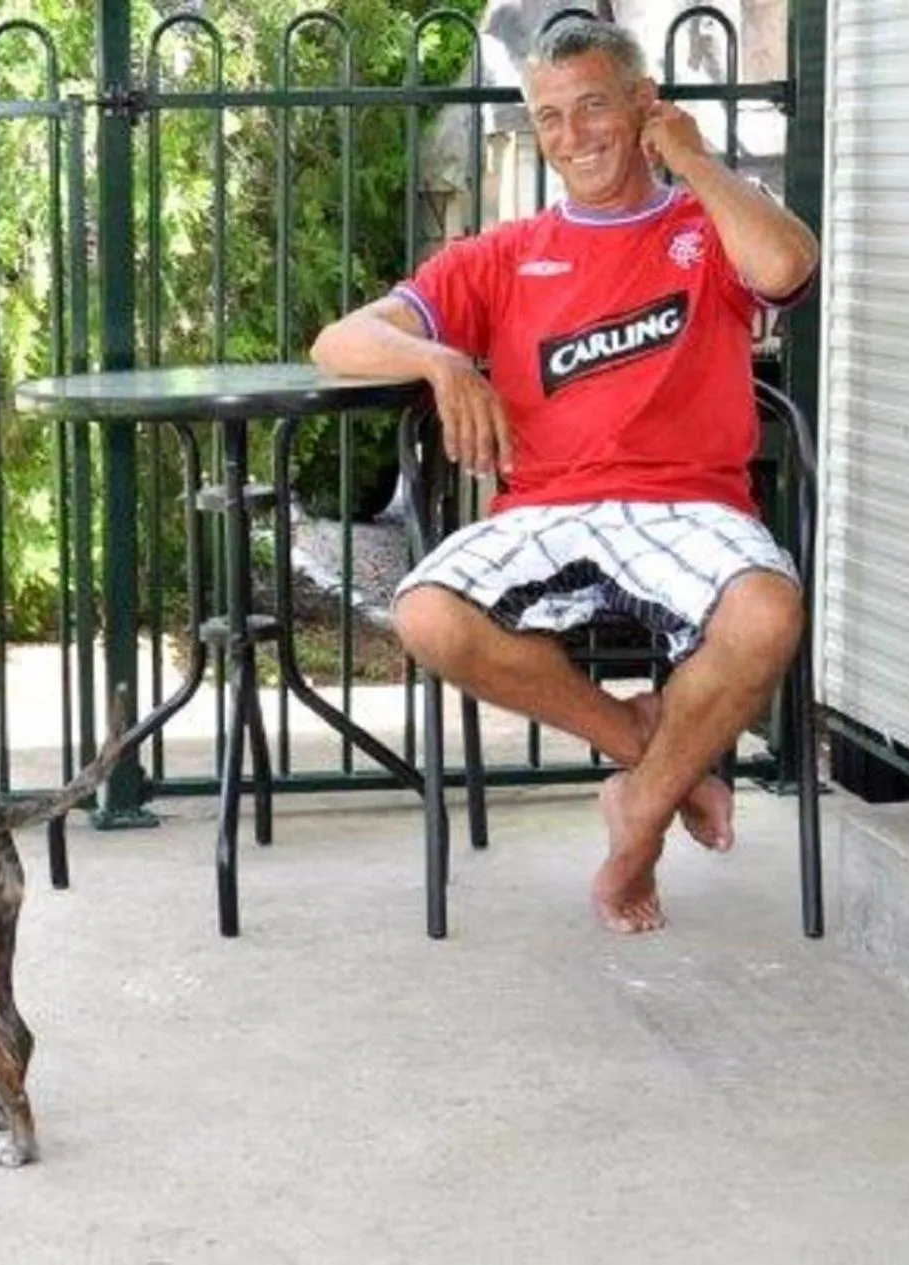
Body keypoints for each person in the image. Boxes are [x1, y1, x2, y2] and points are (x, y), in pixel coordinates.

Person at [309, 16, 818, 934]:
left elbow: (788, 265)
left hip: (685, 504)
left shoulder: (707, 228)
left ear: (641, 105)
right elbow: (338, 340)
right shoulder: (503, 255)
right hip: (550, 507)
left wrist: (694, 161)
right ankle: (646, 749)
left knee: (768, 613)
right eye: (549, 117)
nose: (572, 136)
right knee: (427, 613)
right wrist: (441, 365)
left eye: (593, 107)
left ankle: (635, 819)